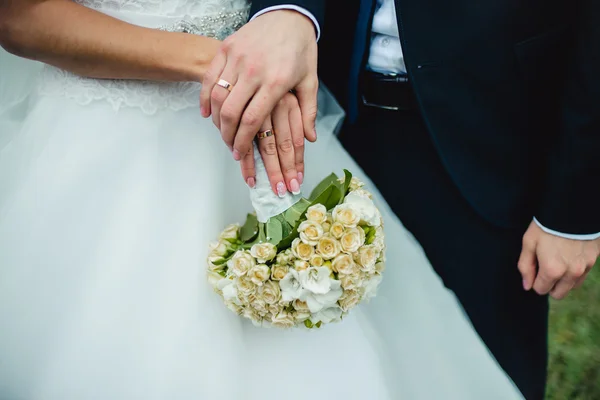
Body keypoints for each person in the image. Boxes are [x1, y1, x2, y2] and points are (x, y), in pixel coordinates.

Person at [0, 1, 523, 399]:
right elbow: (19, 16)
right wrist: (229, 62)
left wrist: (288, 25)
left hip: (261, 110)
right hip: (115, 142)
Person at [204, 1, 600, 399]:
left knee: (480, 370)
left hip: (496, 130)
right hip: (325, 112)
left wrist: (573, 212)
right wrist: (289, 10)